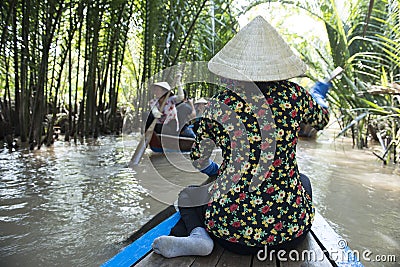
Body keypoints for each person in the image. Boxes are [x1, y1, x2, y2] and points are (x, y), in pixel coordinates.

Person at [152, 16, 331, 258]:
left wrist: (217, 171)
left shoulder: (220, 104)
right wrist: (318, 97)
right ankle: (289, 218)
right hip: (290, 235)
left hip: (230, 232)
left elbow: (198, 159)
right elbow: (322, 119)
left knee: (187, 195)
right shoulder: (295, 96)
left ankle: (199, 236)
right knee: (304, 181)